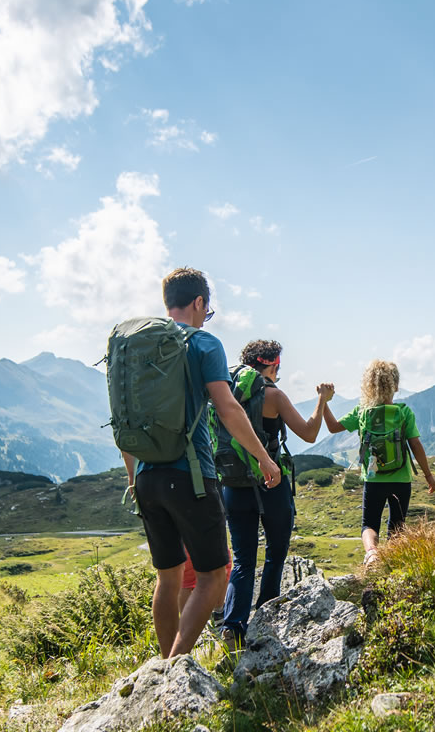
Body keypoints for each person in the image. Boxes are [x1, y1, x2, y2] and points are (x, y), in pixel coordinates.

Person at [120, 268, 280, 658]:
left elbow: (124, 422)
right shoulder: (204, 343)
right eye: (206, 311)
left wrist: (133, 479)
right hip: (191, 476)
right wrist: (263, 458)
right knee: (214, 576)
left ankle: (163, 667)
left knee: (168, 577)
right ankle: (175, 667)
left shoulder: (136, 349)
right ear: (198, 303)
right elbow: (226, 408)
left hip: (145, 477)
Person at [218, 340, 333, 646]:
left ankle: (233, 626)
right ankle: (266, 616)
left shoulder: (224, 393)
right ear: (271, 365)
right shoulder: (274, 395)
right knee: (276, 549)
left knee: (243, 559)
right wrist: (322, 400)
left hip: (232, 483)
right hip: (271, 482)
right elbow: (309, 434)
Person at [324, 359, 435, 565]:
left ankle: (372, 554)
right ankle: (393, 565)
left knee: (369, 523)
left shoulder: (361, 412)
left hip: (373, 479)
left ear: (369, 385)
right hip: (401, 479)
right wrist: (428, 475)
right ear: (395, 385)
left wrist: (323, 402)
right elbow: (416, 446)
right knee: (397, 524)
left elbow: (332, 427)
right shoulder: (404, 412)